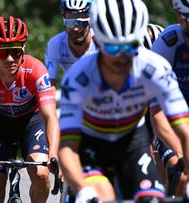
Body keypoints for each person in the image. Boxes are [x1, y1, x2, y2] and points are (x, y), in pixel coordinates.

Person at [59, 0, 189, 202]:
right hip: (92, 146)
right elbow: (67, 147)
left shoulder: (155, 67)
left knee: (152, 199)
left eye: (130, 48)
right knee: (103, 197)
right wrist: (83, 190)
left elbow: (184, 128)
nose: (122, 57)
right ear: (98, 43)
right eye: (113, 49)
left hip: (133, 144)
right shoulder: (78, 78)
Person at [0, 16, 60, 203]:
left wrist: (54, 153)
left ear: (23, 51)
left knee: (41, 174)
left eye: (16, 52)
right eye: (3, 53)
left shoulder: (37, 70)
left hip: (31, 122)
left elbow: (50, 116)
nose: (10, 59)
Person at [151, 0, 189, 195]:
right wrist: (181, 152)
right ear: (181, 20)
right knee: (181, 173)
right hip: (172, 118)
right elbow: (157, 113)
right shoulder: (167, 44)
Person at [45, 0, 96, 91]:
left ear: (91, 20)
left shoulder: (99, 44)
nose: (76, 28)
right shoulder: (55, 44)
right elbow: (50, 88)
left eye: (81, 22)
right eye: (70, 22)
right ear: (63, 19)